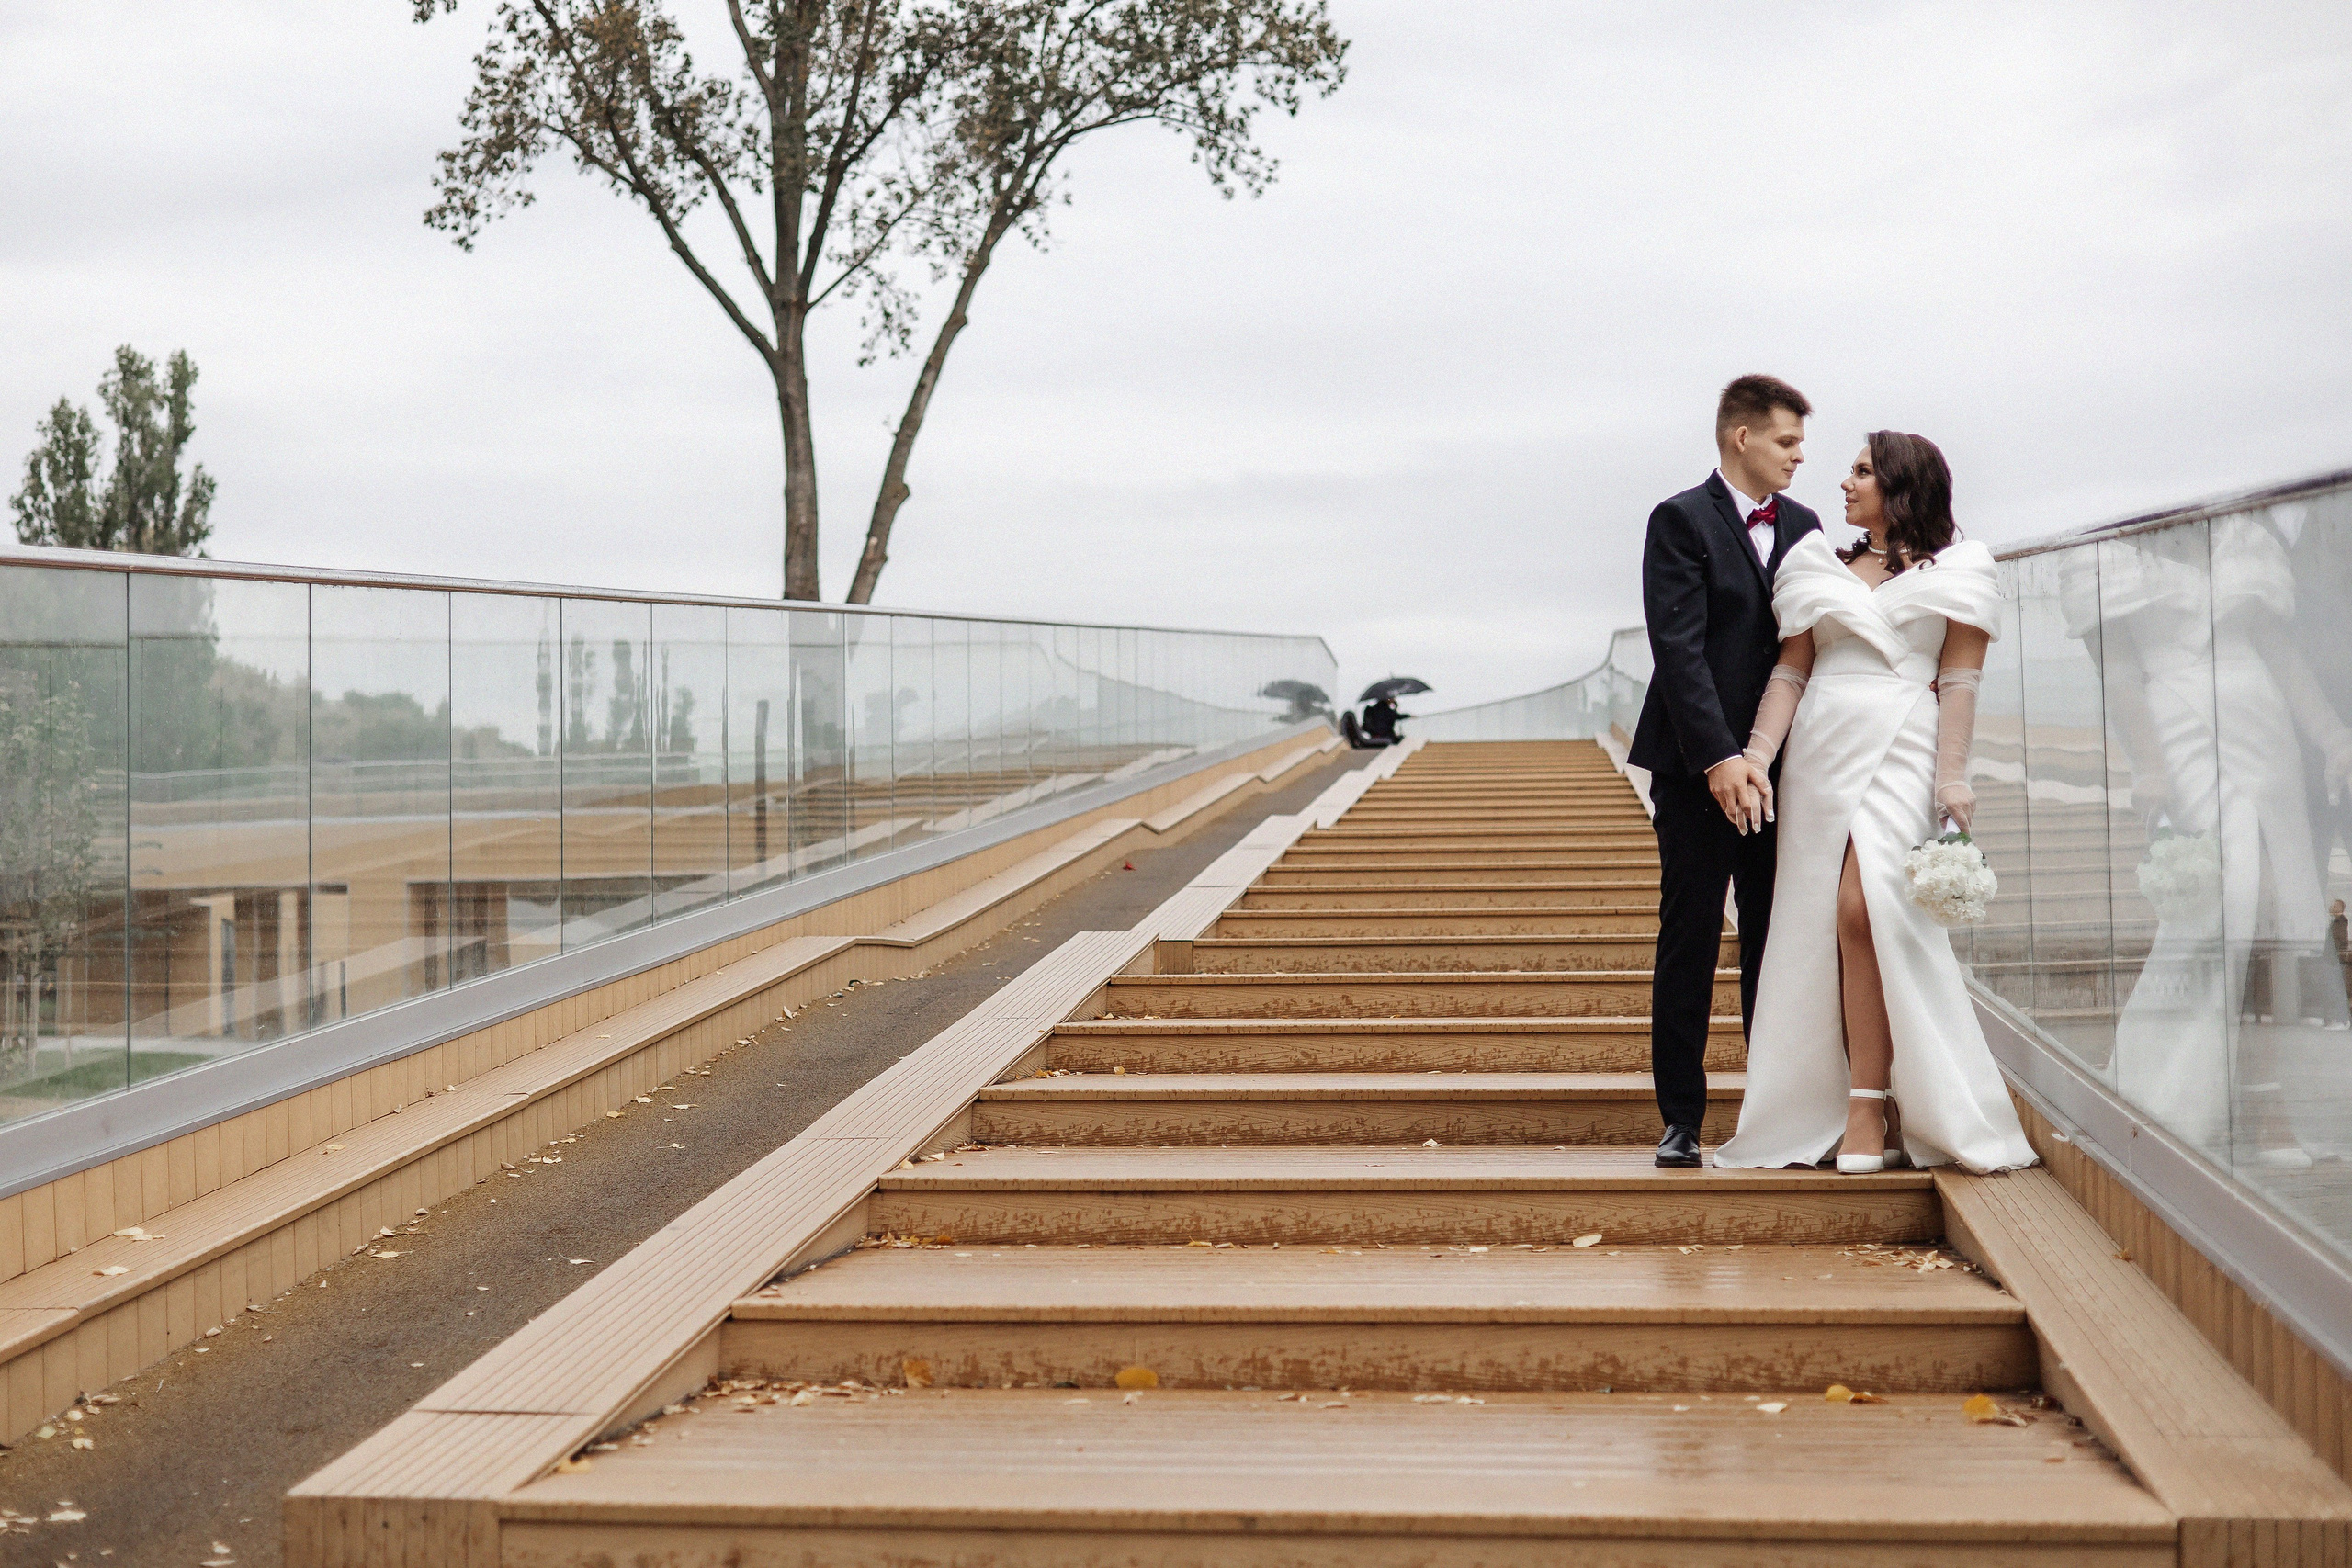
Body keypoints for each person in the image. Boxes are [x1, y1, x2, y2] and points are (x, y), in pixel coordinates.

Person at [1713, 432, 2035, 1175]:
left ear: (1902, 483)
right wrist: (1758, 755)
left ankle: (1877, 1098)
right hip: (1821, 750)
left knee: (1869, 908)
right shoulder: (1818, 564)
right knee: (1822, 920)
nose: (1845, 483)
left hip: (1903, 743)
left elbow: (1958, 681)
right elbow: (1792, 671)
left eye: (1862, 470)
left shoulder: (1961, 569)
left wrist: (1951, 778)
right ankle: (1860, 1099)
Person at [1627, 375, 1821, 1168]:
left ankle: (1774, 1112)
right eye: (1787, 441)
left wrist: (1764, 758)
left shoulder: (1807, 526)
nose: (1800, 457)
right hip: (1693, 768)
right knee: (1691, 936)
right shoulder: (1678, 519)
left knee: (1778, 941)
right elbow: (1677, 648)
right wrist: (1719, 757)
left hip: (1785, 770)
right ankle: (1681, 1115)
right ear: (1742, 437)